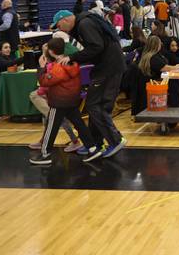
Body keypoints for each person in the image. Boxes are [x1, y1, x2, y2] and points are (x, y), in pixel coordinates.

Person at [53, 9, 127, 158]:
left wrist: (72, 57)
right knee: (95, 104)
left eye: (59, 25)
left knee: (96, 105)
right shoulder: (86, 22)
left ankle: (115, 140)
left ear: (66, 20)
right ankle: (95, 144)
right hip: (108, 67)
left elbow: (96, 47)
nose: (59, 29)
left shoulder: (84, 24)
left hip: (108, 68)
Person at [29, 38, 102, 165]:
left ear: (51, 52)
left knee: (51, 128)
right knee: (79, 125)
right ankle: (93, 148)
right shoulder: (73, 63)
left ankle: (45, 154)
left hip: (59, 102)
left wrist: (41, 68)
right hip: (72, 100)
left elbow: (44, 81)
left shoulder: (58, 67)